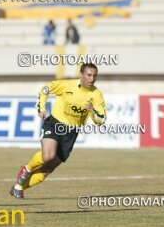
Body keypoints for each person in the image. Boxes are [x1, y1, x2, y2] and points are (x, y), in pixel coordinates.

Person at [10, 63, 106, 199]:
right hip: (54, 124)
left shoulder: (96, 94)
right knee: (48, 155)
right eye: (89, 75)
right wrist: (41, 108)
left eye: (94, 76)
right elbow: (45, 89)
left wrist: (93, 111)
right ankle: (27, 168)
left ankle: (18, 187)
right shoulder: (67, 85)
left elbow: (101, 119)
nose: (92, 79)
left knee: (48, 169)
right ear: (81, 74)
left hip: (71, 133)